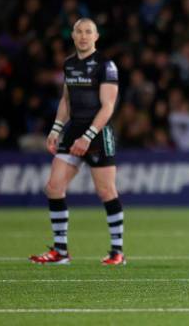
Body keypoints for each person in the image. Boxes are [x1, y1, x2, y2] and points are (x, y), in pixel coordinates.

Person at [29, 18, 125, 265]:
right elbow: (66, 101)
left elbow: (108, 107)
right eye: (79, 32)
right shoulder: (69, 64)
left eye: (88, 32)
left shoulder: (106, 65)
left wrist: (87, 136)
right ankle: (60, 252)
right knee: (53, 187)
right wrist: (56, 129)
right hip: (73, 131)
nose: (83, 36)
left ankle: (117, 251)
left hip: (98, 133)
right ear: (72, 36)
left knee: (106, 191)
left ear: (96, 37)